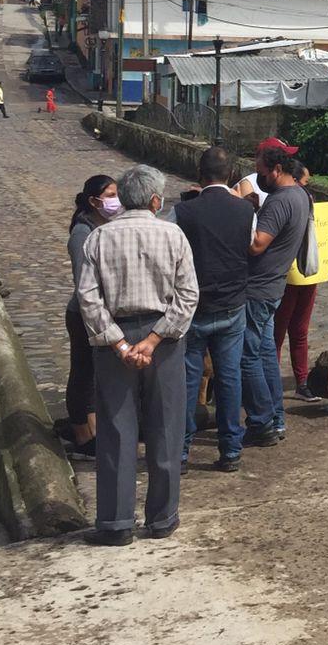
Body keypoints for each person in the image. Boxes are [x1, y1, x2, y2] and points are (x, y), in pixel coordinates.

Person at [75, 165, 199, 544]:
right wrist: (154, 340)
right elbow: (188, 294)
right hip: (164, 340)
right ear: (156, 200)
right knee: (166, 428)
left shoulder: (97, 239)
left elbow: (88, 298)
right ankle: (162, 518)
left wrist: (120, 343)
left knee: (115, 429)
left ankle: (115, 524)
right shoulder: (173, 234)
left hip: (115, 341)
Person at [173, 147, 255, 473]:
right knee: (230, 378)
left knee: (188, 381)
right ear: (232, 174)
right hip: (233, 303)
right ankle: (230, 451)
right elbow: (249, 246)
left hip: (195, 306)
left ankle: (179, 452)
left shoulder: (182, 212)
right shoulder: (245, 211)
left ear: (199, 173)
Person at [244, 146, 309, 443]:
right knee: (267, 352)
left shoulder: (280, 200)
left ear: (277, 170)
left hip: (258, 287)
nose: (259, 177)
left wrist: (242, 211)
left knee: (250, 355)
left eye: (261, 172)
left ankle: (262, 421)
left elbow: (257, 245)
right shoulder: (299, 195)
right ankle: (277, 418)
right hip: (273, 285)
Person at [65, 174, 120, 459]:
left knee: (96, 373)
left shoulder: (106, 226)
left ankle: (94, 427)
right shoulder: (81, 234)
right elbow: (82, 281)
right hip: (84, 312)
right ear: (93, 200)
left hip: (105, 309)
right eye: (109, 195)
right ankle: (81, 434)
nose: (115, 200)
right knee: (83, 372)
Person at [273, 160, 321, 403]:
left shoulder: (302, 202)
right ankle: (272, 384)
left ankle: (301, 381)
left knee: (299, 330)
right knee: (279, 332)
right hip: (288, 276)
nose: (306, 188)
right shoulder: (286, 202)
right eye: (304, 182)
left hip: (306, 276)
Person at [234, 137, 298, 204]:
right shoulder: (301, 193)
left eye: (262, 174)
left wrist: (242, 207)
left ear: (278, 169)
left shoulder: (277, 202)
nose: (260, 179)